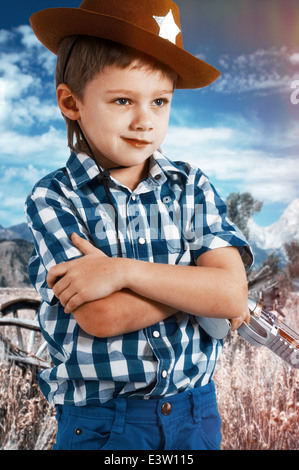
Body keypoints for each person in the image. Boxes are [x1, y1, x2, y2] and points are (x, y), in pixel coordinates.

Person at [26, 0, 253, 451]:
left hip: (195, 413)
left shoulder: (191, 186)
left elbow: (232, 294)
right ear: (71, 102)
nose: (145, 121)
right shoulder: (55, 198)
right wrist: (196, 289)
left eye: (160, 101)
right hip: (100, 424)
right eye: (123, 100)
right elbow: (100, 315)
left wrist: (121, 272)